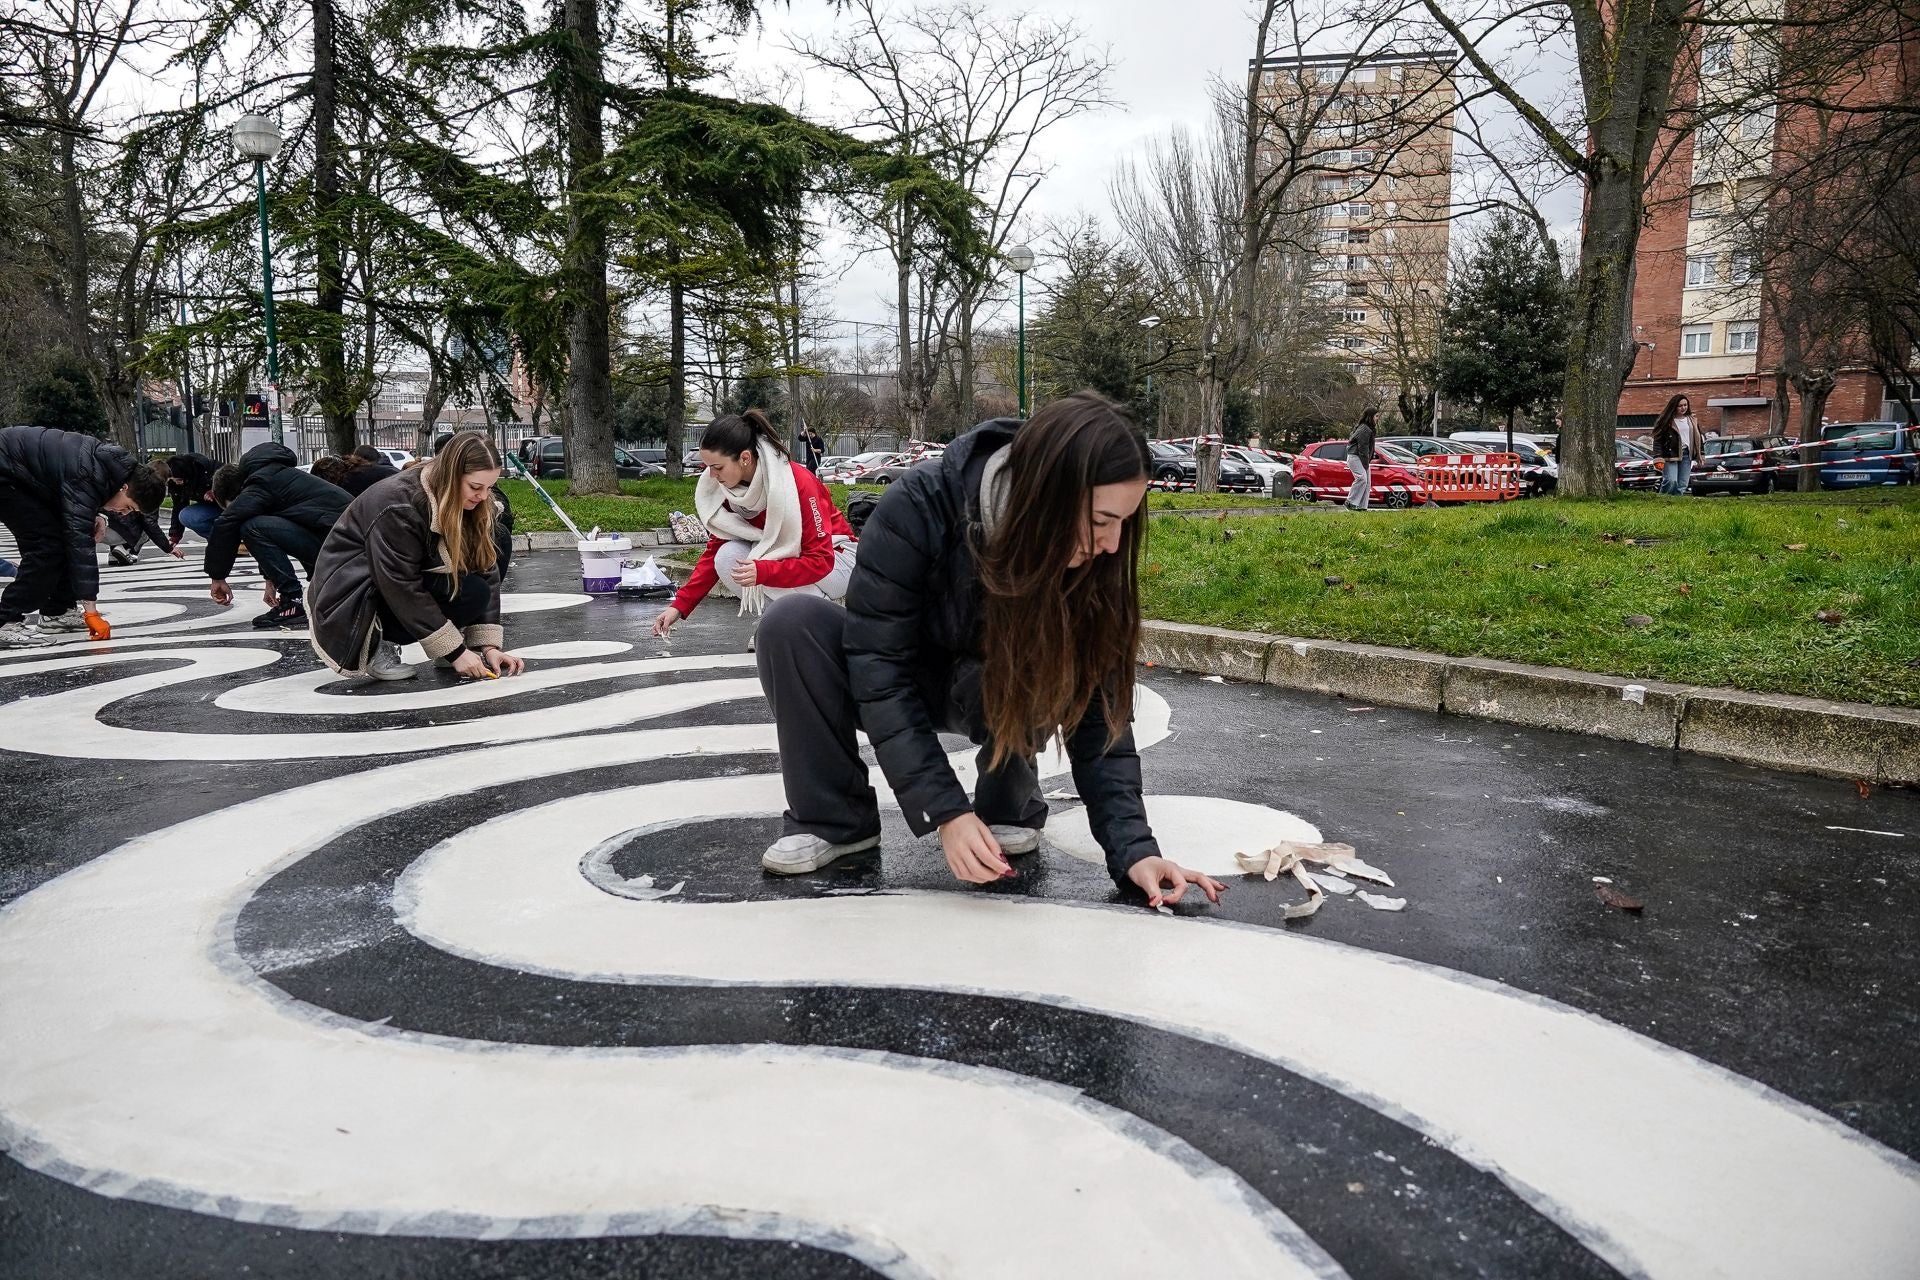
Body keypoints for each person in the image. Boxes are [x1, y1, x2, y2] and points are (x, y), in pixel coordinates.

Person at [753, 391, 1226, 909]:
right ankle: (835, 819)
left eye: (1122, 522)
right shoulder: (915, 506)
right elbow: (878, 669)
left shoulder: (1095, 557)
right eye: (1098, 521)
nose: (1112, 544)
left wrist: (1134, 849)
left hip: (999, 678)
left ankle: (1009, 803)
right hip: (909, 675)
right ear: (1042, 493)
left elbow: (1099, 706)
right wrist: (946, 813)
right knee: (790, 624)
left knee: (1043, 640)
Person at [308, 430, 526, 683]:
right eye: (476, 487)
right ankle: (378, 645)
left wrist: (487, 647)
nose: (483, 496)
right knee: (407, 586)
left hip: (398, 581)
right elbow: (400, 583)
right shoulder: (397, 504)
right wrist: (455, 652)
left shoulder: (468, 500)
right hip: (352, 597)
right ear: (451, 476)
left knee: (478, 581)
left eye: (490, 487)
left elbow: (484, 568)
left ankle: (454, 644)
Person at [650, 409, 857, 641]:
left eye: (718, 467)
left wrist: (765, 571)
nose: (711, 475)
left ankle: (826, 623)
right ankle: (777, 623)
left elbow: (821, 560)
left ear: (745, 458)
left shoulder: (797, 482)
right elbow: (715, 550)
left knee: (763, 562)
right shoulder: (728, 490)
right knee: (727, 556)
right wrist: (678, 607)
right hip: (786, 558)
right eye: (708, 467)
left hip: (837, 560)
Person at [0, 425, 167, 648]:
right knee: (47, 547)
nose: (124, 513)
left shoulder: (110, 469)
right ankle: (5, 621)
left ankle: (56, 612)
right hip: (6, 475)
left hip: (20, 474)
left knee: (57, 540)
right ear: (124, 488)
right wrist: (91, 612)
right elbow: (79, 546)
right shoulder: (87, 473)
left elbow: (76, 495)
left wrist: (96, 514)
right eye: (129, 507)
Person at [203, 442, 352, 629]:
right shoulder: (277, 477)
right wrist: (270, 581)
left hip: (344, 549)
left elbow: (226, 523)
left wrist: (217, 577)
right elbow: (284, 530)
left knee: (251, 526)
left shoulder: (262, 484)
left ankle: (294, 600)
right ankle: (312, 593)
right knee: (260, 525)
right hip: (347, 545)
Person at [161, 451, 220, 543]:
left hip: (228, 504)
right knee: (185, 516)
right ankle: (219, 539)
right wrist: (175, 535)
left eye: (179, 479)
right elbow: (178, 506)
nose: (177, 482)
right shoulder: (175, 484)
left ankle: (232, 537)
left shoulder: (209, 469)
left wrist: (216, 491)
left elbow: (234, 484)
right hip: (210, 507)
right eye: (173, 480)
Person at [1652, 393, 1702, 495]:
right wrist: (1658, 457)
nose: (1683, 408)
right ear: (1674, 406)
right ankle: (1663, 499)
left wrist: (1701, 454)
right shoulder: (1666, 421)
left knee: (1682, 483)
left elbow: (1699, 438)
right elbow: (1657, 439)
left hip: (1687, 454)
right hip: (1670, 455)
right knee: (1670, 480)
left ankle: (1676, 503)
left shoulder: (1692, 420)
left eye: (1685, 405)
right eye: (1680, 406)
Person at [1345, 408, 1378, 511]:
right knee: (1362, 479)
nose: (1377, 418)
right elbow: (1363, 448)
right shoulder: (1364, 429)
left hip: (1361, 458)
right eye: (1376, 416)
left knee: (1367, 483)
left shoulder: (1367, 428)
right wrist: (1365, 463)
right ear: (1370, 417)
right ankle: (1350, 502)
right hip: (1355, 457)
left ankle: (1362, 507)